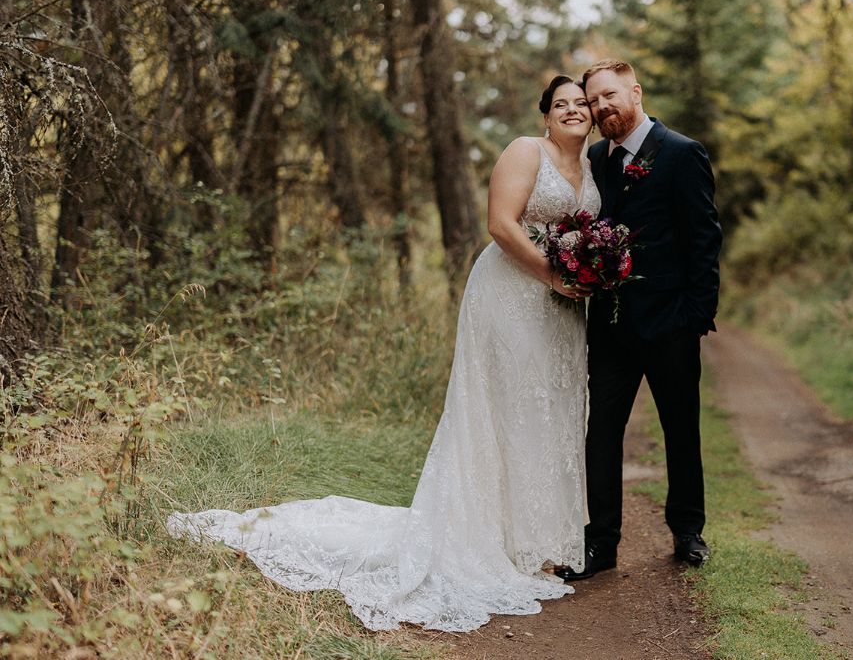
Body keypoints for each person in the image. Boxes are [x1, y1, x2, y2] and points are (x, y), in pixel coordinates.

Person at [168, 76, 600, 632]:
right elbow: (500, 224)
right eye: (561, 103)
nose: (572, 110)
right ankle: (500, 544)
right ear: (546, 116)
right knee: (512, 409)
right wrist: (552, 274)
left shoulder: (592, 166)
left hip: (561, 309)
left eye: (580, 103)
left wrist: (585, 273)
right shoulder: (525, 151)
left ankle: (539, 542)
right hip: (513, 295)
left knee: (552, 413)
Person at [556, 58, 722, 582]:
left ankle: (688, 533)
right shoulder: (596, 159)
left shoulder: (681, 153)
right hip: (609, 328)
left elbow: (704, 239)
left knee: (681, 429)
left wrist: (696, 316)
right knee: (601, 433)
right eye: (593, 100)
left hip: (671, 323)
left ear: (636, 92)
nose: (601, 106)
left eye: (609, 95)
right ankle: (600, 543)